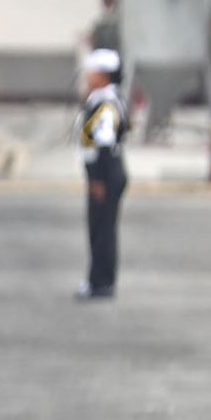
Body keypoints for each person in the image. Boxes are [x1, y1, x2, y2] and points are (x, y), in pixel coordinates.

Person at [78, 49, 127, 301]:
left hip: (106, 173)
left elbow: (104, 144)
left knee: (103, 229)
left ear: (105, 75)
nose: (89, 76)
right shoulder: (101, 99)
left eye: (93, 72)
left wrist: (97, 179)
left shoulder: (106, 103)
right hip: (102, 171)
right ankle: (97, 279)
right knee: (98, 228)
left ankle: (101, 282)